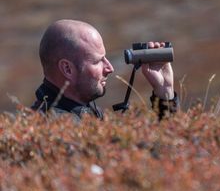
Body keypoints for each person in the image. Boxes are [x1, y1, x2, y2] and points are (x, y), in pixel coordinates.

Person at [31, 19, 178, 120]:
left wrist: (164, 90)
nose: (110, 68)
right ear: (67, 69)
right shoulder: (58, 128)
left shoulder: (82, 111)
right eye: (98, 61)